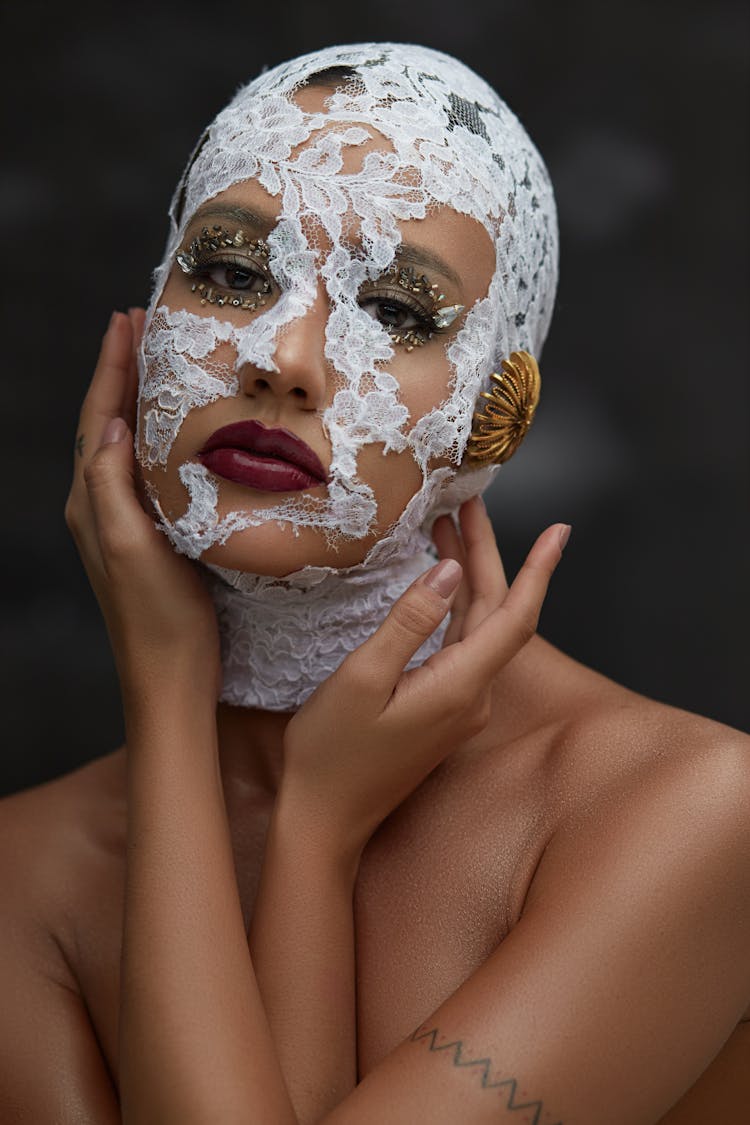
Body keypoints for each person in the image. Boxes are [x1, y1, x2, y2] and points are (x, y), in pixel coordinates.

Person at [1, 42, 748, 1125]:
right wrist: (171, 698)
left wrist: (312, 831)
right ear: (147, 329)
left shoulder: (682, 816)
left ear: (496, 414)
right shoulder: (25, 880)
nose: (286, 357)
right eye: (229, 273)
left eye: (399, 311)